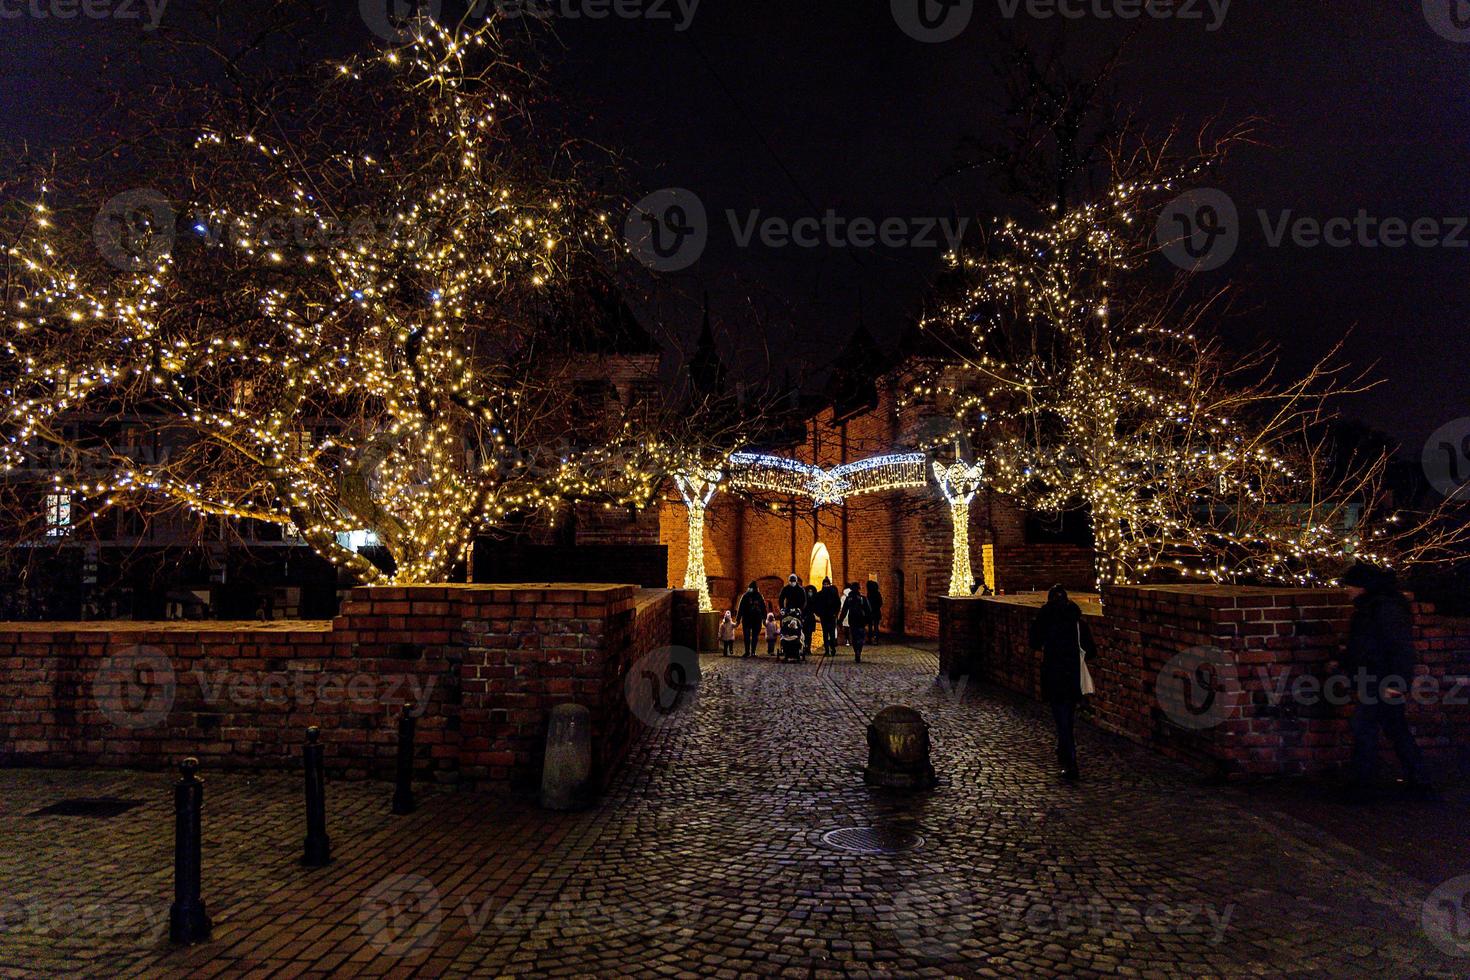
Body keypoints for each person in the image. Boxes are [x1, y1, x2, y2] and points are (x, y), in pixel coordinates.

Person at [1340, 562, 1432, 801]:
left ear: (1362, 586)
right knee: (1393, 729)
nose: (1346, 590)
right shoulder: (1378, 606)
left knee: (1367, 728)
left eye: (1350, 585)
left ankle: (1363, 784)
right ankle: (1417, 779)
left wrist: (1397, 683)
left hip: (1380, 679)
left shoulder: (1381, 608)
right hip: (1377, 678)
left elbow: (1398, 647)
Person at [1029, 585, 1096, 782]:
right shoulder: (1077, 622)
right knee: (1068, 717)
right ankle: (1065, 751)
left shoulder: (1045, 620)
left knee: (1061, 718)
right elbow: (1091, 651)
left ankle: (1069, 760)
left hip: (1053, 673)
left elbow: (1034, 642)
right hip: (1073, 675)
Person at [838, 582, 872, 663]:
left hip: (852, 619)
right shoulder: (862, 598)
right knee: (860, 636)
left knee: (854, 636)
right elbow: (868, 610)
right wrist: (869, 620)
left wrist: (840, 621)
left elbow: (844, 611)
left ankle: (856, 651)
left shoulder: (849, 598)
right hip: (861, 619)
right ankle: (859, 651)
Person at [737, 581, 767, 659]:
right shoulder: (749, 596)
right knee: (750, 636)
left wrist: (764, 618)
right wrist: (738, 619)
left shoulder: (753, 596)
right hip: (751, 619)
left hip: (754, 619)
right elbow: (741, 608)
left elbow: (763, 608)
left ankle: (750, 651)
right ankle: (750, 652)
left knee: (753, 636)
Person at [816, 578, 841, 656]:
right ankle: (827, 650)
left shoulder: (833, 594)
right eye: (825, 584)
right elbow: (816, 605)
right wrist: (819, 614)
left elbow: (838, 604)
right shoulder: (819, 594)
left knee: (832, 633)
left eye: (827, 584)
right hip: (824, 616)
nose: (826, 586)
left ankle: (832, 648)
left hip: (831, 616)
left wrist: (835, 613)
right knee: (825, 634)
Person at [802, 585, 818, 657]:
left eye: (811, 592)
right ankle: (804, 647)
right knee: (804, 634)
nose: (810, 593)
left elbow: (815, 609)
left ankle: (808, 648)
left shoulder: (814, 600)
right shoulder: (804, 600)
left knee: (809, 635)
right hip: (804, 619)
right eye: (809, 592)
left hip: (810, 619)